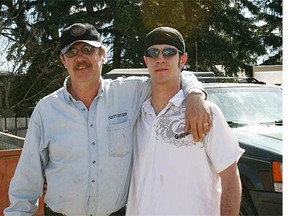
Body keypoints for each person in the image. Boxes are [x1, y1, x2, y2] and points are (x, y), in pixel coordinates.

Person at [4, 23, 211, 215]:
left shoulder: (130, 93)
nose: (80, 57)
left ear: (102, 54)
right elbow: (27, 178)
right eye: (72, 52)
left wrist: (195, 94)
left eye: (88, 50)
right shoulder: (46, 110)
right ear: (63, 60)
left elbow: (169, 75)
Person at [126, 27, 245, 216]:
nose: (160, 59)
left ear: (183, 59)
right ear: (145, 60)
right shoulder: (136, 115)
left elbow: (230, 175)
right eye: (153, 52)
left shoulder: (206, 113)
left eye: (169, 52)